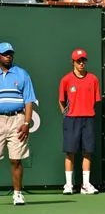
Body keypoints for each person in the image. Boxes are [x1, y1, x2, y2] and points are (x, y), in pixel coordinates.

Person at [59, 49, 101, 195]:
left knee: (87, 152)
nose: (81, 63)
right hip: (71, 120)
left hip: (88, 118)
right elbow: (61, 100)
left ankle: (85, 185)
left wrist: (86, 110)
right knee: (70, 152)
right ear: (73, 62)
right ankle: (69, 185)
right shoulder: (66, 80)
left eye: (83, 60)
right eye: (78, 61)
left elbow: (95, 101)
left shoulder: (93, 79)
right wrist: (67, 114)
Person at [0, 42, 37, 206]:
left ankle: (17, 193)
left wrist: (27, 122)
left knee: (16, 160)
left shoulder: (22, 74)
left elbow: (29, 101)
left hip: (17, 120)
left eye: (10, 53)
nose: (9, 56)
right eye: (5, 53)